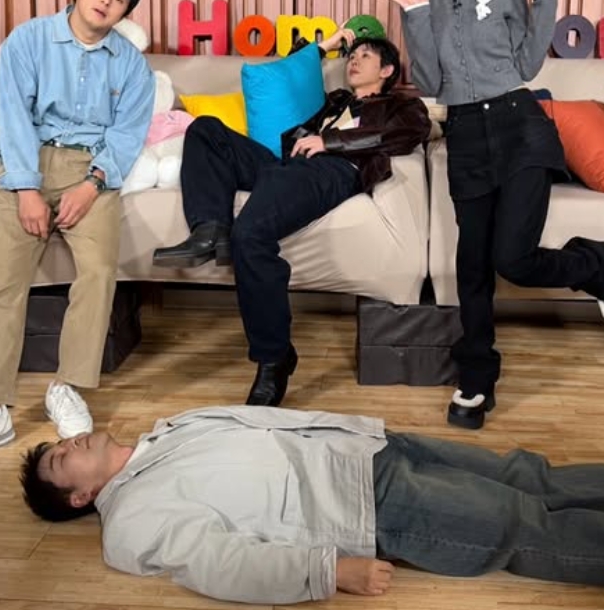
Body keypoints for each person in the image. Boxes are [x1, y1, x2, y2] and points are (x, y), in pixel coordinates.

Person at [19, 411, 604, 605]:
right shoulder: (132, 523)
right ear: (80, 496)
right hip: (359, 509)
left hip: (363, 450)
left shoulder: (162, 434)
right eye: (60, 458)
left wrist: (358, 430)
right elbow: (219, 563)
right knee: (515, 526)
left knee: (516, 471)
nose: (70, 442)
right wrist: (326, 571)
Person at [386, 0, 604, 430]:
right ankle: (475, 380)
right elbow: (430, 82)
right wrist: (414, 16)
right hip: (465, 138)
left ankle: (598, 265)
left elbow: (528, 65)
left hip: (521, 126)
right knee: (472, 266)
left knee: (512, 258)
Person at [0, 0, 156, 470]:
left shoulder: (131, 65)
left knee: (99, 272)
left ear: (124, 13)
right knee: (1, 280)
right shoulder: (27, 40)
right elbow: (13, 116)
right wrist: (26, 187)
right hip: (27, 160)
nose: (106, 1)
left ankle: (68, 387)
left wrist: (93, 185)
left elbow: (126, 136)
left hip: (92, 170)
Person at [151, 30, 431, 407]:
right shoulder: (336, 101)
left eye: (366, 55)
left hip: (334, 169)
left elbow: (414, 132)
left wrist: (329, 142)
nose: (354, 59)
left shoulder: (399, 105)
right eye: (353, 54)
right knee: (205, 129)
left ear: (387, 70)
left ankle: (274, 358)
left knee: (250, 235)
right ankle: (209, 228)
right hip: (287, 167)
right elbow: (289, 77)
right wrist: (323, 47)